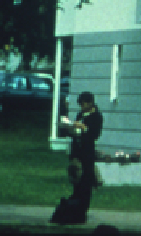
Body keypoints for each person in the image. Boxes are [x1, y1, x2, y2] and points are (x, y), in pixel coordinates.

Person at [54, 91, 102, 224]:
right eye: (80, 104)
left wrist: (83, 128)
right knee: (77, 182)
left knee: (86, 183)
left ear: (90, 103)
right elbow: (75, 131)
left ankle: (82, 212)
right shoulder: (81, 115)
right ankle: (74, 209)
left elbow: (94, 134)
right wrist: (71, 128)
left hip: (87, 154)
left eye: (83, 103)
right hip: (77, 153)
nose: (81, 106)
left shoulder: (96, 116)